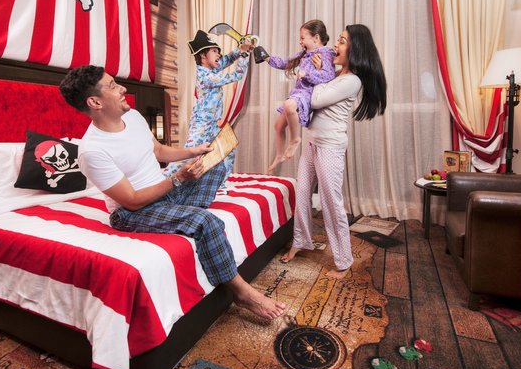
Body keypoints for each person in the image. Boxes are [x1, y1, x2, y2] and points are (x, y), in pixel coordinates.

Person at [59, 65, 286, 320]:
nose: (122, 88)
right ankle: (242, 292)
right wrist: (178, 179)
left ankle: (181, 216)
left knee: (217, 162)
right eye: (112, 86)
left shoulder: (132, 117)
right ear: (95, 102)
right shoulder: (92, 151)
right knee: (206, 221)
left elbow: (158, 151)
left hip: (164, 193)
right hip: (133, 212)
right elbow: (132, 201)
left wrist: (194, 152)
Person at [279, 24, 387, 279]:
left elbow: (314, 99)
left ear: (355, 49)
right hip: (311, 141)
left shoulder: (352, 80)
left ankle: (343, 260)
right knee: (302, 193)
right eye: (337, 40)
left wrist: (314, 74)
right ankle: (302, 241)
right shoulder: (336, 74)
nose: (335, 46)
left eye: (342, 41)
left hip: (330, 146)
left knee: (331, 202)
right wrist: (315, 73)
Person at [164, 30, 253, 185]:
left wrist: (240, 50)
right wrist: (244, 54)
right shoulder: (206, 76)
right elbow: (237, 75)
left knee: (228, 149)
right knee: (187, 155)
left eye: (218, 51)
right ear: (203, 56)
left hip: (212, 124)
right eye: (214, 51)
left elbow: (227, 59)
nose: (219, 54)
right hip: (201, 124)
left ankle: (218, 184)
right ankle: (162, 179)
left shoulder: (211, 70)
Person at [266, 19, 335, 172]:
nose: (300, 41)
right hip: (297, 93)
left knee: (289, 105)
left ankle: (295, 139)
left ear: (316, 38)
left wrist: (306, 74)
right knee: (278, 126)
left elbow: (328, 76)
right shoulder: (304, 53)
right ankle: (279, 155)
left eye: (303, 38)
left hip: (308, 93)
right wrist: (267, 58)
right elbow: (285, 63)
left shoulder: (327, 53)